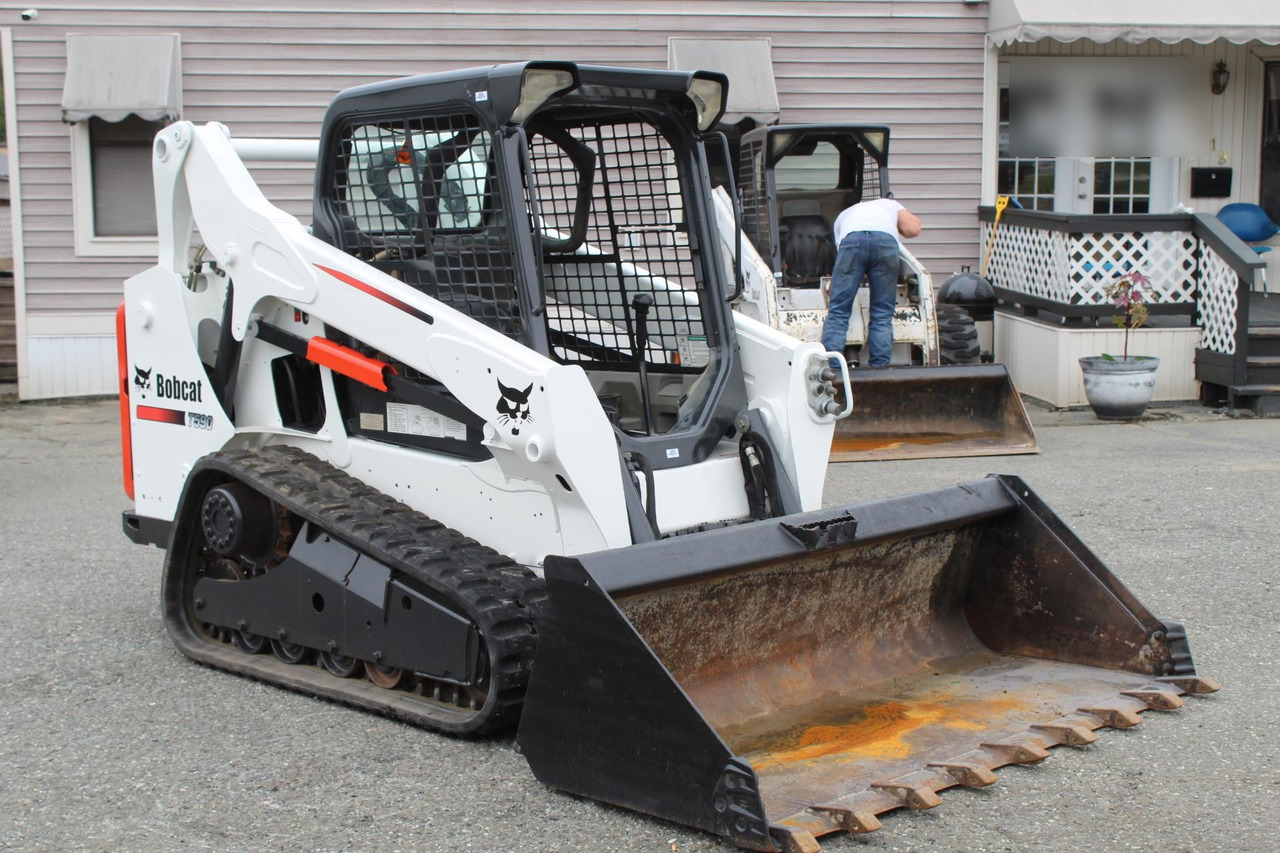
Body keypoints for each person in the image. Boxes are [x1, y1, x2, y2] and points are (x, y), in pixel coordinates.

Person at [821, 196, 922, 368]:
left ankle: (831, 371)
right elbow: (913, 229)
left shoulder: (843, 216)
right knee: (882, 314)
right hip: (886, 242)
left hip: (851, 241)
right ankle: (879, 370)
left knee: (838, 312)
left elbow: (849, 259)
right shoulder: (890, 205)